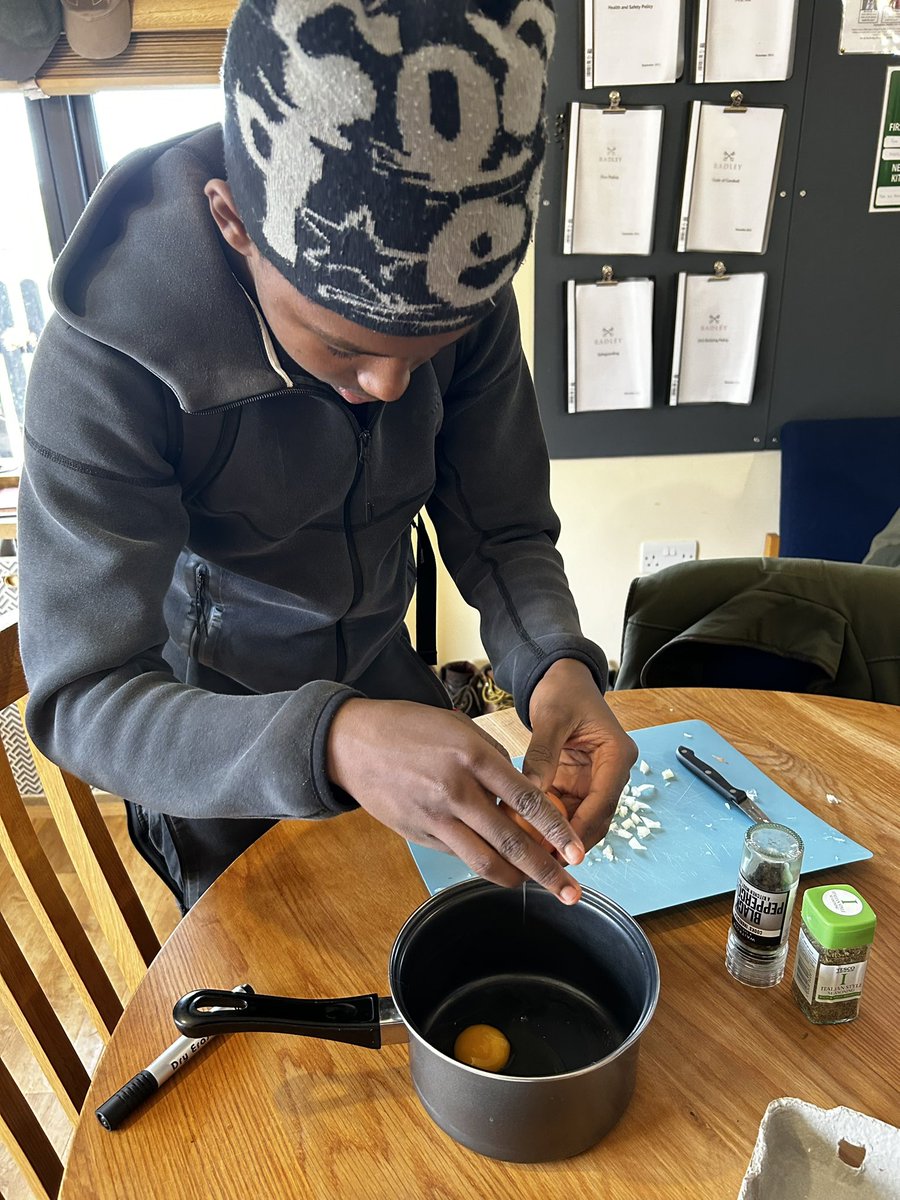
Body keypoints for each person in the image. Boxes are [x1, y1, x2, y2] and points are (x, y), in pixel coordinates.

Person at [18, 0, 636, 913]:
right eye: (342, 347)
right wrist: (332, 739)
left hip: (388, 675)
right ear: (232, 223)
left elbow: (500, 528)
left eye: (425, 354)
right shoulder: (108, 358)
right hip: (211, 733)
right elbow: (83, 698)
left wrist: (556, 665)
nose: (390, 388)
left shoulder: (463, 290)